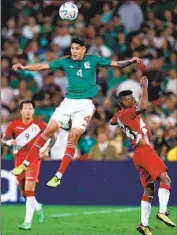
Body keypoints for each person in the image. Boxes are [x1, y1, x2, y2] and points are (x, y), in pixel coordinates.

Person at [11, 36, 142, 188]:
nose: (74, 51)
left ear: (83, 49)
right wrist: (25, 68)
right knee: (48, 130)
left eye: (77, 48)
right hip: (68, 102)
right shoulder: (65, 61)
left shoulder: (93, 60)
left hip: (85, 104)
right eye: (72, 48)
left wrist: (131, 61)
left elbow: (117, 64)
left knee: (73, 137)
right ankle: (25, 163)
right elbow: (43, 66)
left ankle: (58, 176)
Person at [110, 76, 176, 235]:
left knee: (149, 190)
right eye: (131, 98)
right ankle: (162, 211)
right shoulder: (128, 113)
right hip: (145, 151)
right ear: (125, 102)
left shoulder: (123, 116)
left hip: (138, 154)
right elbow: (145, 106)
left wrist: (120, 117)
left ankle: (144, 225)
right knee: (165, 179)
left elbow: (112, 121)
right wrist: (145, 87)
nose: (134, 100)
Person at [2, 100, 56, 230]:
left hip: (33, 159)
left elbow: (53, 137)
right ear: (21, 111)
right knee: (23, 193)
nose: (28, 110)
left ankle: (27, 223)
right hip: (19, 159)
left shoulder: (40, 125)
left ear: (33, 111)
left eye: (30, 108)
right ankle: (38, 207)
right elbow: (4, 139)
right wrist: (11, 143)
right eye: (25, 108)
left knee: (30, 187)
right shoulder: (14, 125)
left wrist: (47, 149)